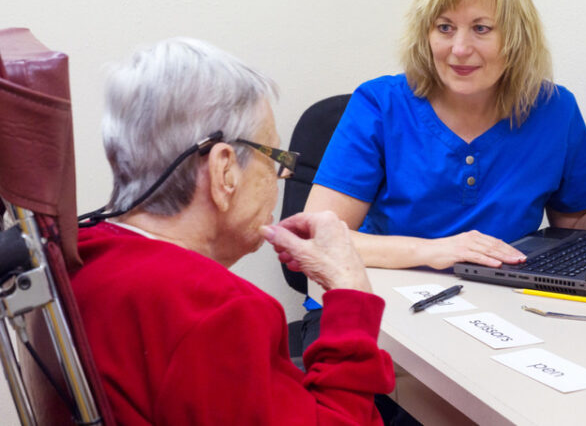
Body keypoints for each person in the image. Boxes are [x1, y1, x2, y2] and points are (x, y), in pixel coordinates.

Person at [71, 38, 395, 425]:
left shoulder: (84, 254)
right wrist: (350, 293)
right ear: (225, 170)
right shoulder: (216, 313)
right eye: (275, 157)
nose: (284, 174)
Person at [305, 0, 586, 270]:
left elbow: (581, 230)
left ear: (517, 34)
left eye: (481, 28)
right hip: (385, 302)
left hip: (498, 305)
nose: (460, 49)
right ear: (426, 32)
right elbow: (317, 238)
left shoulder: (554, 110)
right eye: (445, 27)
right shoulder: (379, 105)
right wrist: (435, 252)